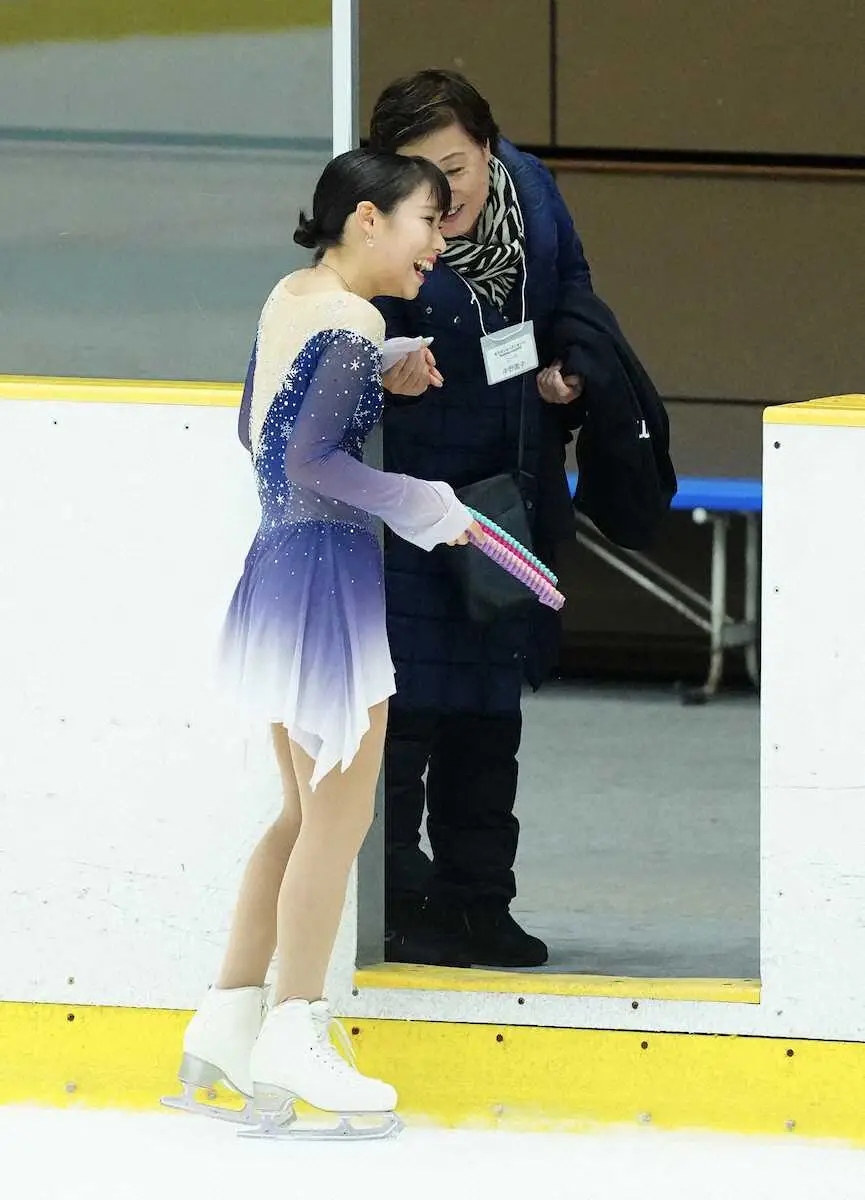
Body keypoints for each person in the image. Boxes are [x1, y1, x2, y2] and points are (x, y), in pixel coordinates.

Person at [166, 148, 478, 1137]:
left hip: (277, 569)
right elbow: (311, 458)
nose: (439, 242)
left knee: (301, 815)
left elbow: (257, 433)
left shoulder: (293, 297)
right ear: (368, 218)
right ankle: (294, 1027)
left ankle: (227, 1018)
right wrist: (422, 502)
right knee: (338, 820)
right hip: (327, 586)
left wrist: (370, 375)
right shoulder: (354, 321)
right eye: (428, 220)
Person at [368, 70, 592, 970]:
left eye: (455, 166)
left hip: (504, 496)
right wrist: (382, 377)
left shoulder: (531, 198)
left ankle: (479, 900)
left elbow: (570, 294)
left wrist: (571, 369)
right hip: (404, 505)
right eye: (419, 173)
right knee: (407, 711)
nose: (443, 192)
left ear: (490, 150)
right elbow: (330, 339)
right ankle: (392, 901)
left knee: (489, 711)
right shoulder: (375, 222)